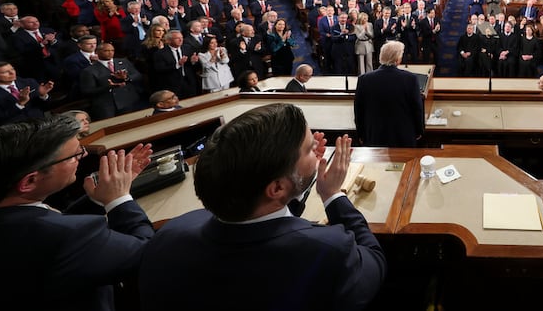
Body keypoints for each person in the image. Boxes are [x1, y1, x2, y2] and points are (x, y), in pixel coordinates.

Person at [137, 104, 387, 311]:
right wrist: (331, 195)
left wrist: (298, 181)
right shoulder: (329, 251)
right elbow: (374, 261)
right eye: (311, 150)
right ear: (276, 188)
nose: (318, 153)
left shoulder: (167, 238)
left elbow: (268, 213)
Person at [0, 114, 154, 311]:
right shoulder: (66, 236)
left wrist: (97, 199)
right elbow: (148, 254)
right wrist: (119, 199)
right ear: (29, 181)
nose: (84, 155)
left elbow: (49, 222)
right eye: (74, 155)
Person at [355, 41, 424, 147]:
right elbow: (417, 109)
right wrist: (419, 131)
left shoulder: (364, 79)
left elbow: (359, 111)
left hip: (374, 136)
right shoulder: (410, 79)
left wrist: (361, 134)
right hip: (403, 137)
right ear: (398, 59)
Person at [79, 42, 144, 120]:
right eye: (106, 51)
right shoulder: (89, 70)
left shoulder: (124, 61)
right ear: (97, 52)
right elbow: (87, 91)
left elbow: (137, 75)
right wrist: (108, 87)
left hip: (127, 100)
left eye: (112, 50)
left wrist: (126, 78)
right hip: (106, 104)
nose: (110, 53)